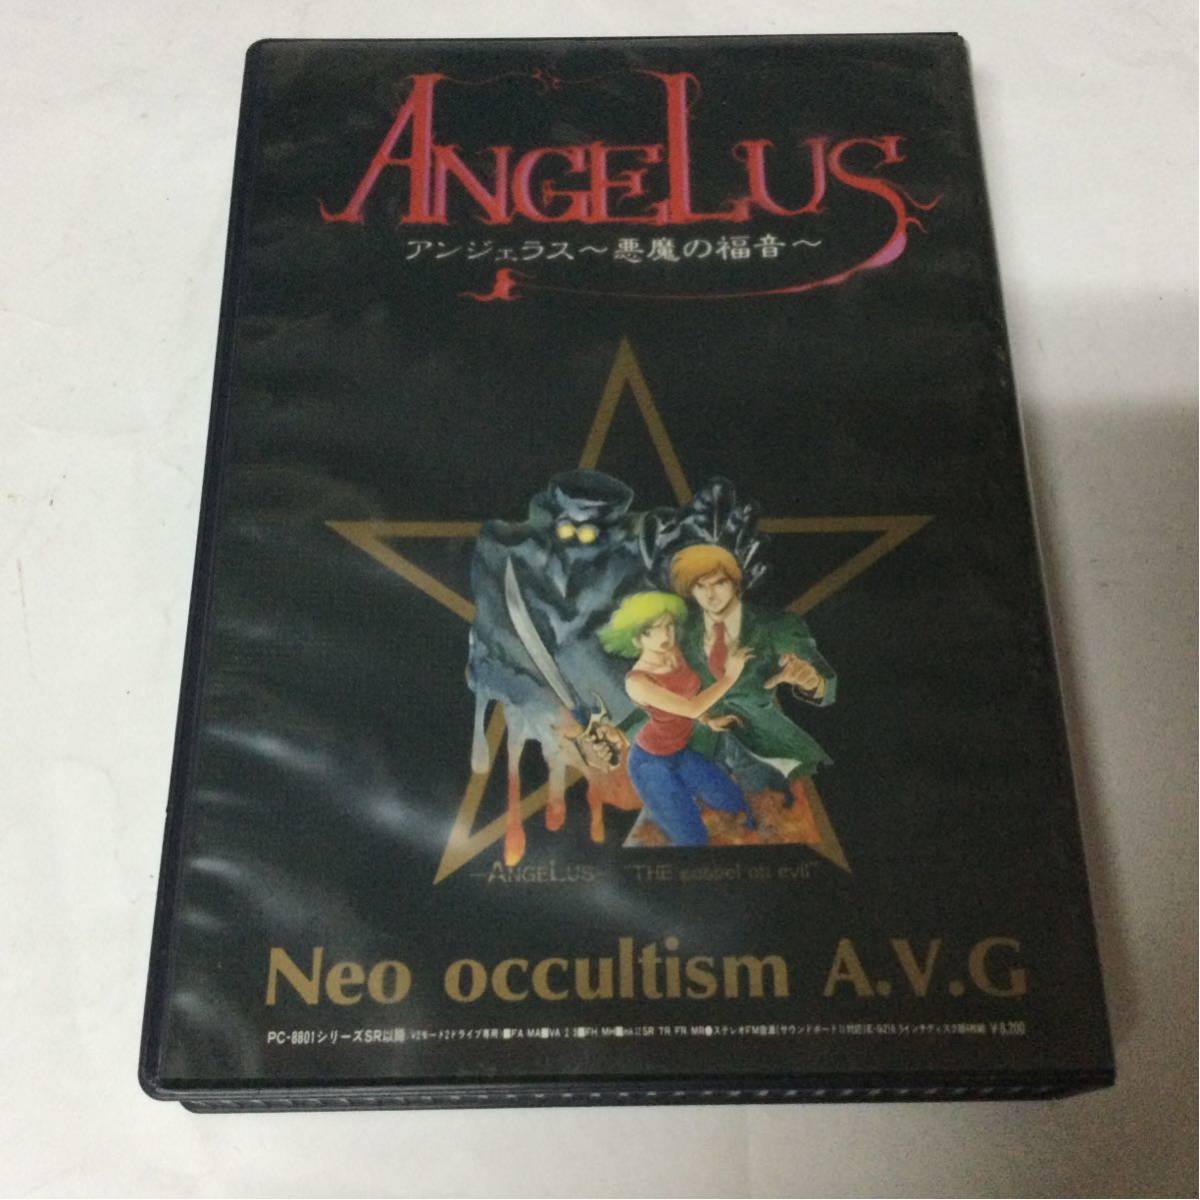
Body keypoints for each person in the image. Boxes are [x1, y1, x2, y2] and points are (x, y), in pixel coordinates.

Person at [668, 543, 837, 843]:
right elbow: (658, 688)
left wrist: (811, 681)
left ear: (735, 582)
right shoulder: (679, 631)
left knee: (779, 834)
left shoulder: (775, 626)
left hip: (763, 747)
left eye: (718, 583)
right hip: (699, 748)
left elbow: (824, 679)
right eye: (700, 586)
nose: (710, 595)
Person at [598, 592, 754, 846]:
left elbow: (686, 702)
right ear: (636, 639)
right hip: (650, 764)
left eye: (668, 626)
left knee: (737, 805)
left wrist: (707, 720)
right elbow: (689, 708)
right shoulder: (637, 682)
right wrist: (729, 677)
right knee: (691, 839)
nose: (665, 636)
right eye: (652, 631)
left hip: (680, 753)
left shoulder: (675, 654)